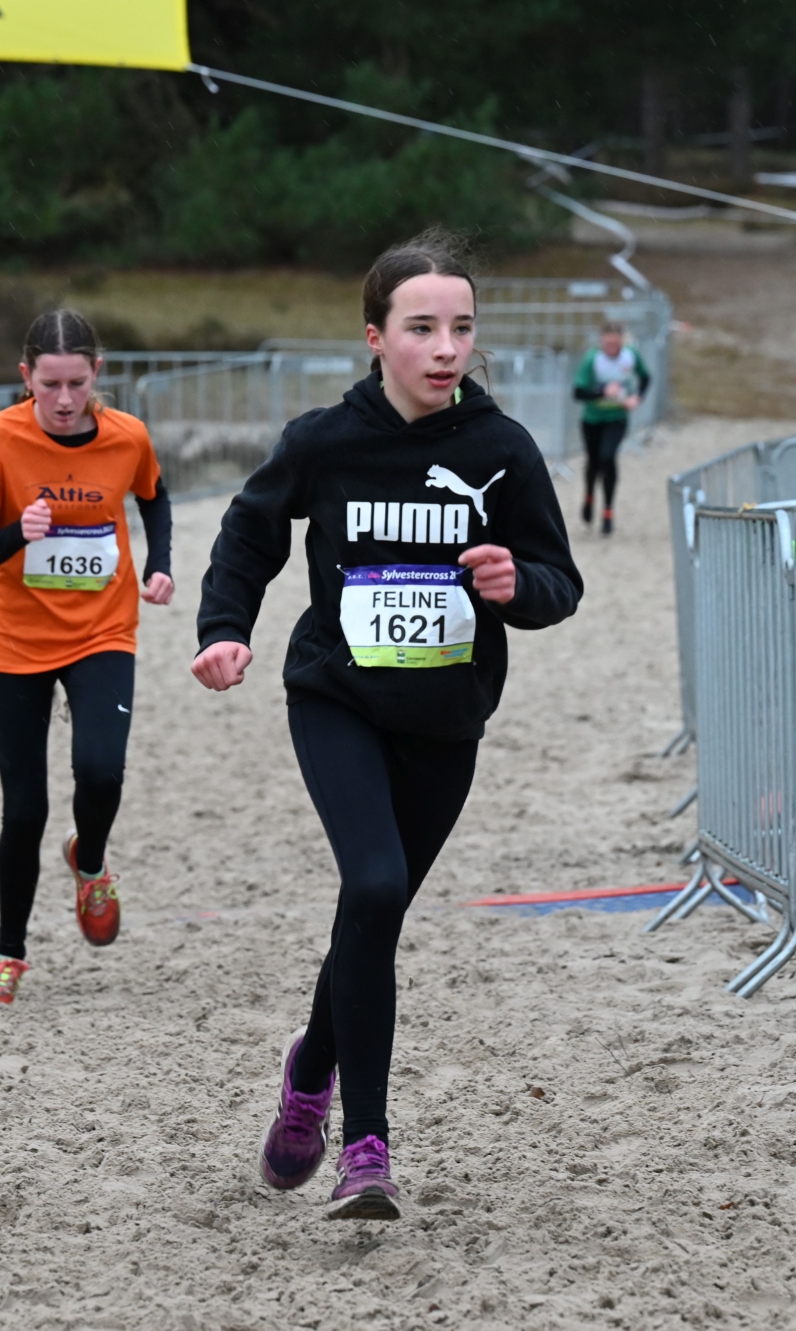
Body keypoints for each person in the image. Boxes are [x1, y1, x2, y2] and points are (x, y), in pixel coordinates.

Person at [192, 231, 583, 1222]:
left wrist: (518, 584)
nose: (445, 348)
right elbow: (249, 530)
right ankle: (365, 1148)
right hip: (338, 698)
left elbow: (558, 581)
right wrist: (225, 628)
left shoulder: (501, 450)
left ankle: (309, 1068)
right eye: (421, 328)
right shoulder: (325, 439)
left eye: (461, 328)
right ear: (375, 337)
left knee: (375, 911)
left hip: (445, 719)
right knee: (371, 884)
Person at [0, 309, 174, 1006]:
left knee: (101, 768)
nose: (65, 399)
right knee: (24, 811)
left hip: (103, 629)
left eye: (77, 382)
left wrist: (161, 563)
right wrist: (18, 532)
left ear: (97, 372)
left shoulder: (127, 435)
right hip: (16, 641)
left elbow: (154, 497)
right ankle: (9, 953)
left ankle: (91, 860)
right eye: (49, 384)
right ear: (26, 377)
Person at [571, 322, 650, 536]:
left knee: (608, 458)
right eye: (608, 344)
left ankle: (608, 511)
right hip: (592, 420)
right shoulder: (592, 359)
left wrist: (637, 398)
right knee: (593, 462)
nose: (612, 348)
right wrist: (602, 392)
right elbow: (578, 393)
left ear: (622, 341)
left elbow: (645, 377)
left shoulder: (630, 355)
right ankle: (589, 496)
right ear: (601, 342)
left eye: (616, 344)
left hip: (617, 418)